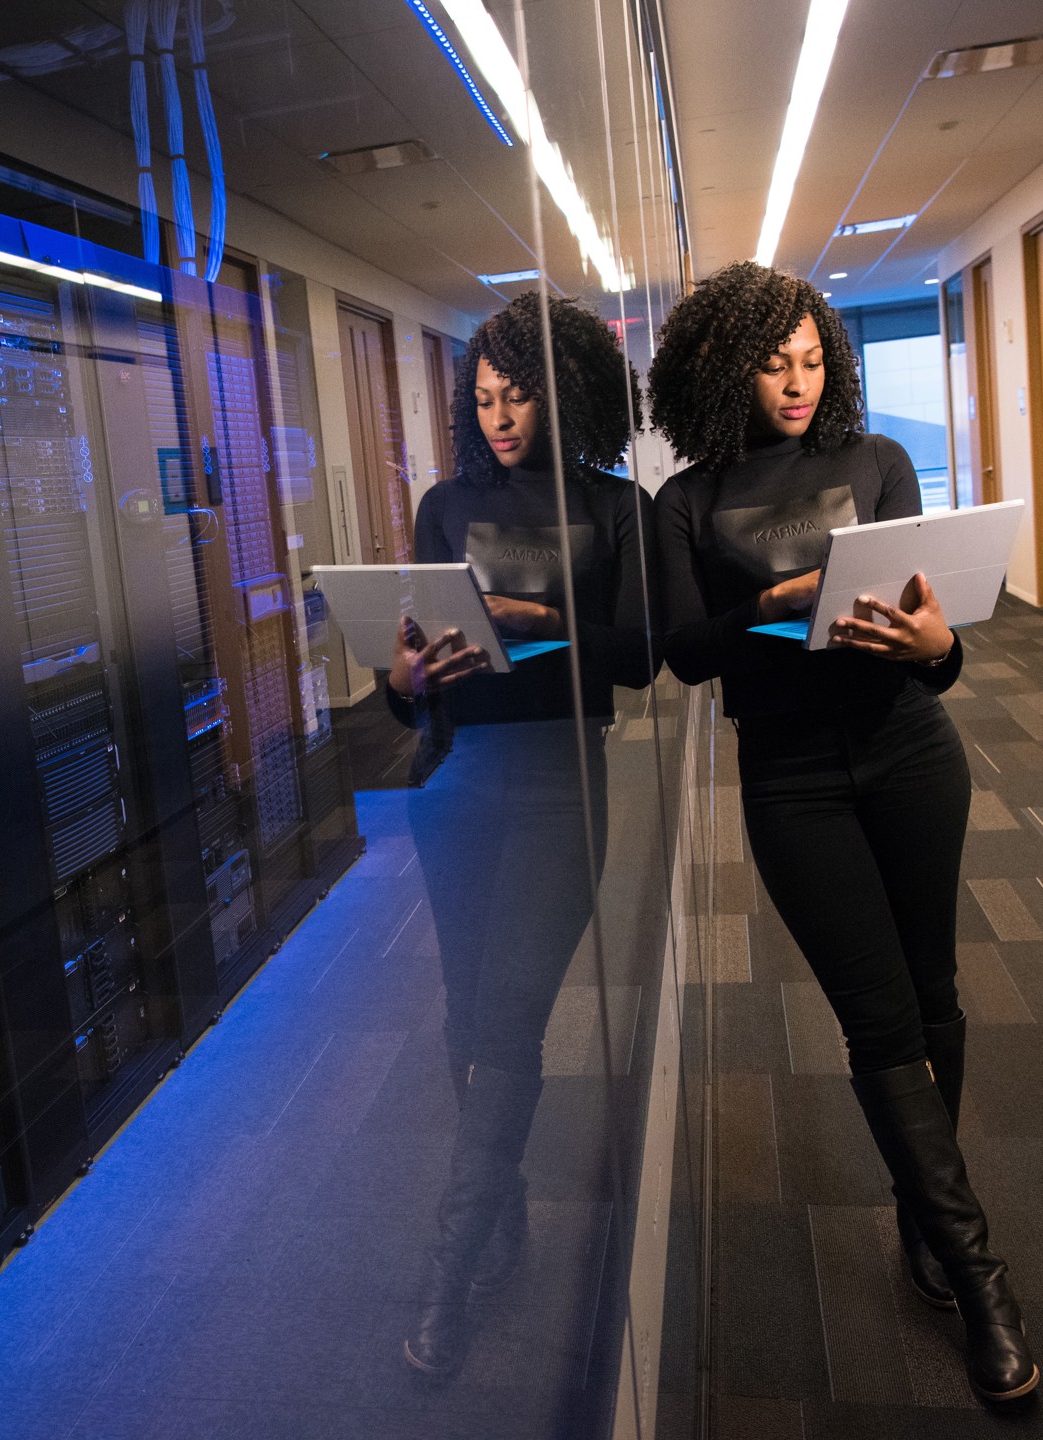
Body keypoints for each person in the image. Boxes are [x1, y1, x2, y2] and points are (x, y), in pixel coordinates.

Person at [648, 260, 1037, 1404]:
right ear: (727, 368)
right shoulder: (688, 502)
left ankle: (925, 1215)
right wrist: (765, 607)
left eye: (815, 360)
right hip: (792, 779)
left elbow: (936, 635)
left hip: (911, 750)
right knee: (877, 1023)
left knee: (936, 994)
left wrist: (940, 649)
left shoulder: (879, 463)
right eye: (775, 364)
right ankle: (981, 1282)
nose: (799, 383)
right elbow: (683, 650)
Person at [384, 291, 657, 1376]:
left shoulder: (612, 506)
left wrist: (546, 622)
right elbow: (409, 684)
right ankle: (504, 1219)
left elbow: (641, 658)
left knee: (508, 1019)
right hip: (459, 782)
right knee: (465, 1017)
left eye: (520, 395)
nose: (500, 417)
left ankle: (448, 1272)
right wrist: (405, 679)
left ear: (564, 390)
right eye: (485, 398)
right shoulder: (444, 504)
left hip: (560, 788)